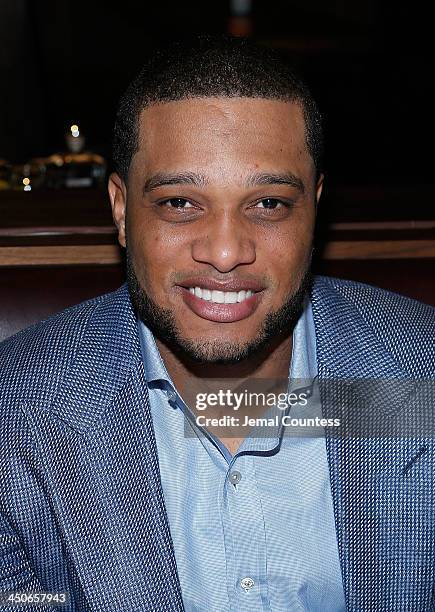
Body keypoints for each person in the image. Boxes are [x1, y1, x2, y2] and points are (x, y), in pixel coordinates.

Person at [0, 35, 434, 612]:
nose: (226, 252)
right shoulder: (18, 407)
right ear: (121, 210)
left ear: (315, 209)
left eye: (269, 204)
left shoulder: (420, 374)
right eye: (180, 203)